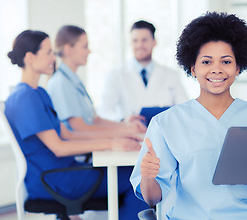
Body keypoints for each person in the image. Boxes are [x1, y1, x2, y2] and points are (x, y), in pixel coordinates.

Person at [130, 12, 247, 219]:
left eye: (226, 62)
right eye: (206, 62)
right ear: (193, 68)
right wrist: (148, 177)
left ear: (238, 67)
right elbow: (152, 199)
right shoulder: (166, 123)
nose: (216, 69)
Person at [4, 30, 149, 219]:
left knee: (135, 173)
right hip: (55, 179)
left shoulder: (38, 92)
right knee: (139, 178)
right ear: (30, 57)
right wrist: (110, 144)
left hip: (63, 173)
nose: (53, 57)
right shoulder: (25, 98)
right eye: (48, 52)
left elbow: (68, 134)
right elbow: (58, 147)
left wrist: (116, 137)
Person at [46, 25, 146, 136]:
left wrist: (126, 125)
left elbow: (94, 120)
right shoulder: (61, 83)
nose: (89, 51)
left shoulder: (74, 81)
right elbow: (79, 128)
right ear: (68, 49)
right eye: (85, 47)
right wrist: (125, 131)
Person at [98, 20, 189, 121]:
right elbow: (104, 111)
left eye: (144, 40)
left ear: (154, 42)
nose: (139, 45)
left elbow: (184, 109)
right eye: (135, 41)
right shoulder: (116, 75)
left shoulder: (171, 75)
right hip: (131, 133)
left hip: (164, 133)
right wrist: (123, 119)